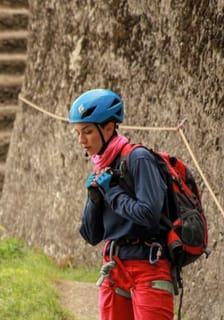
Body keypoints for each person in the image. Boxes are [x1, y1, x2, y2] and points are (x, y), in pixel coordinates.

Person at [70, 89, 175, 320]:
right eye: (78, 133)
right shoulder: (102, 166)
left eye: (88, 131)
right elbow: (90, 236)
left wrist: (112, 192)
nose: (81, 140)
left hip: (149, 265)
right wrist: (95, 200)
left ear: (108, 128)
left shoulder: (139, 159)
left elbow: (148, 214)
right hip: (114, 266)